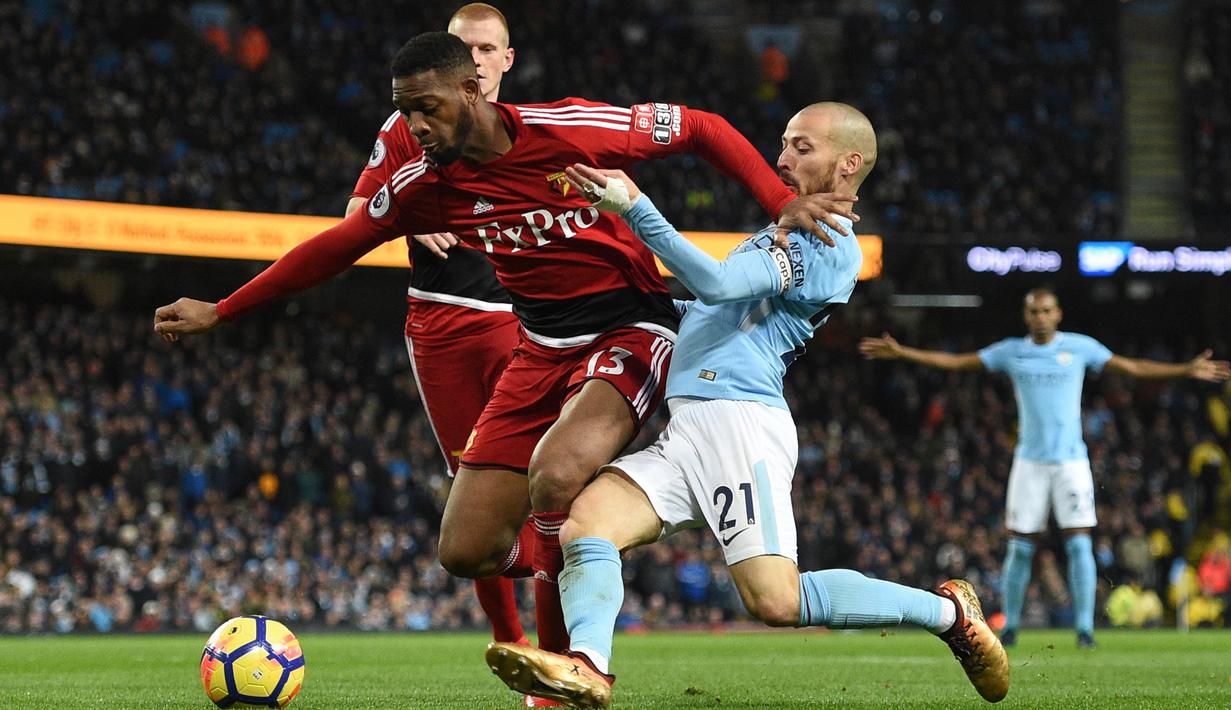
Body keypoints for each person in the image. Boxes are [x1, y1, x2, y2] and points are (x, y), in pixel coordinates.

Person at [153, 31, 858, 669]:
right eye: (404, 113)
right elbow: (334, 249)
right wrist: (224, 308)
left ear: (471, 90)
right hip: (539, 350)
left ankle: (564, 672)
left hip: (632, 330)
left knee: (553, 478)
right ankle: (586, 556)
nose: (415, 126)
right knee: (466, 551)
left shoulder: (569, 129)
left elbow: (699, 128)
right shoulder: (424, 187)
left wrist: (777, 199)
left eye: (426, 107)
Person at [484, 103, 1010, 707]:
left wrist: (634, 209)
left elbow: (716, 286)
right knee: (588, 523)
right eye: (782, 144)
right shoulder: (782, 227)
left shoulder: (831, 240)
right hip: (690, 423)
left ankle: (949, 615)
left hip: (739, 419)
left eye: (801, 148)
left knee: (776, 601)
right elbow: (711, 312)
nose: (781, 159)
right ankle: (588, 667)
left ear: (849, 163)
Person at [859, 290, 1230, 648]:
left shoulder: (1079, 347)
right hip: (1030, 463)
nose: (1040, 317)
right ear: (1026, 316)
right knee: (1020, 548)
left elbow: (1132, 367)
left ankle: (1085, 628)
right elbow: (959, 362)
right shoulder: (1012, 351)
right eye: (1034, 311)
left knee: (1079, 542)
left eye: (1046, 310)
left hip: (1071, 461)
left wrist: (1186, 369)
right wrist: (903, 352)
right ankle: (1013, 627)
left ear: (1058, 314)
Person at [345, 4, 533, 681]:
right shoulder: (404, 127)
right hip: (444, 323)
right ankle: (511, 645)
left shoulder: (528, 130)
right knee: (469, 493)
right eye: (465, 47)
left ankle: (569, 658)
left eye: (487, 48)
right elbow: (353, 219)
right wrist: (402, 222)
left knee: (548, 490)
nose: (476, 59)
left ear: (507, 59)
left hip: (530, 328)